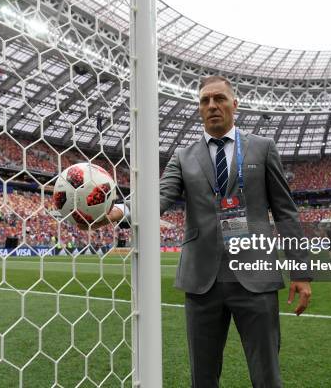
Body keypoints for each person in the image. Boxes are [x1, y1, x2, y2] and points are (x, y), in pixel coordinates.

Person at [92, 76, 312, 387]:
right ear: (199, 109)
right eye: (205, 101)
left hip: (255, 278)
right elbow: (159, 197)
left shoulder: (262, 149)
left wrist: (300, 271)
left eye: (219, 98)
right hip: (202, 282)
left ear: (234, 104)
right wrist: (117, 212)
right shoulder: (184, 156)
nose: (212, 105)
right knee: (203, 377)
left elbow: (285, 211)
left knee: (267, 376)